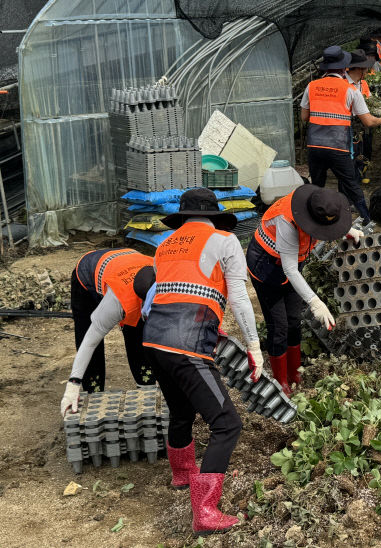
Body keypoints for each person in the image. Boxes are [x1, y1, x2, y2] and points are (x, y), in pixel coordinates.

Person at [142, 188, 265, 535]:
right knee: (227, 424)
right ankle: (205, 511)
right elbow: (240, 298)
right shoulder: (224, 241)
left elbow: (167, 295)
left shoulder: (165, 245)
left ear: (182, 218)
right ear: (213, 217)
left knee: (181, 412)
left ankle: (183, 477)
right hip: (186, 345)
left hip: (153, 340)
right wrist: (254, 347)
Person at [246, 185, 361, 395]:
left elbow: (323, 224)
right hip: (266, 265)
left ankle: (294, 372)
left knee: (294, 320)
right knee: (278, 325)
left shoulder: (320, 203)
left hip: (291, 264)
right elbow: (289, 269)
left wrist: (345, 229)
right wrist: (315, 302)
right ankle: (280, 379)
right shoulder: (286, 220)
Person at [60, 249, 157, 417]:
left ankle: (147, 388)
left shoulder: (168, 282)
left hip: (130, 261)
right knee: (89, 334)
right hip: (87, 274)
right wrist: (73, 384)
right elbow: (90, 341)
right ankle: (94, 394)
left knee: (138, 336)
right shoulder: (118, 301)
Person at [300, 45, 381, 224]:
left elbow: (304, 117)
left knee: (317, 185)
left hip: (315, 146)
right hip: (338, 147)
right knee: (351, 183)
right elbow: (368, 121)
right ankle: (366, 218)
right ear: (343, 68)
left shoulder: (311, 86)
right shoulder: (350, 90)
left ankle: (313, 219)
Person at [347, 49, 375, 183]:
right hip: (351, 122)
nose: (367, 71)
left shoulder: (363, 84)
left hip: (363, 120)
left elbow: (369, 99)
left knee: (366, 146)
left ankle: (363, 170)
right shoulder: (345, 84)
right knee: (354, 149)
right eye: (365, 68)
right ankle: (355, 174)